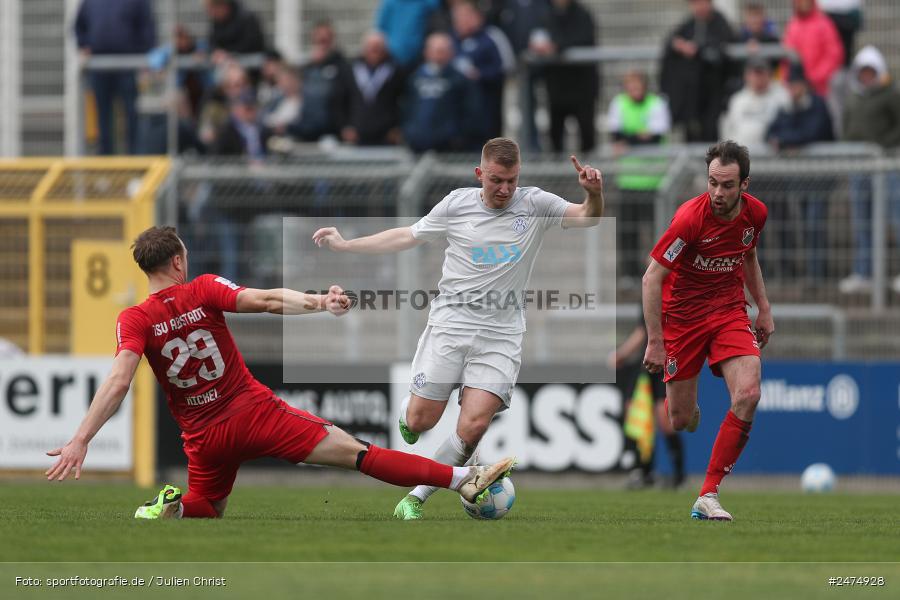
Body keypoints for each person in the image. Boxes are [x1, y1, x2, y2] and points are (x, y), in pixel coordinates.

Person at [45, 226, 514, 519]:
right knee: (359, 452)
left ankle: (169, 505)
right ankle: (459, 480)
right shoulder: (203, 289)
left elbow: (119, 381)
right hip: (252, 413)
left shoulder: (133, 319)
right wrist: (320, 302)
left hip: (203, 437)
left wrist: (81, 439)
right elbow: (266, 300)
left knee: (207, 505)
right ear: (177, 261)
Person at [312, 137, 604, 519]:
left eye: (511, 181)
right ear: (479, 174)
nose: (504, 189)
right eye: (496, 180)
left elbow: (588, 217)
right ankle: (408, 413)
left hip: (501, 335)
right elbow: (408, 236)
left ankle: (415, 498)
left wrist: (594, 194)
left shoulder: (535, 203)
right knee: (420, 421)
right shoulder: (456, 203)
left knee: (474, 424)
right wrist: (347, 246)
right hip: (450, 325)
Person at [642, 141, 773, 521]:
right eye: (713, 183)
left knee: (748, 393)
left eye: (727, 185)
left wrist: (763, 307)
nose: (718, 192)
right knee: (680, 419)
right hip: (682, 318)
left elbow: (747, 254)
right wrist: (655, 341)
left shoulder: (755, 215)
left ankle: (708, 493)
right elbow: (652, 278)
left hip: (729, 310)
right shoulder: (689, 219)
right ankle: (689, 407)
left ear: (744, 185)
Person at [839, 45, 900, 295]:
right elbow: (846, 127)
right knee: (862, 220)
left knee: (896, 218)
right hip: (860, 167)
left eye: (870, 71)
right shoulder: (853, 97)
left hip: (886, 166)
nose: (866, 76)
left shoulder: (890, 94)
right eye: (862, 71)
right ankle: (864, 272)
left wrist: (885, 148)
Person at [766, 63, 834, 283]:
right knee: (806, 223)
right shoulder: (787, 106)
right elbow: (771, 132)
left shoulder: (817, 104)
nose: (793, 90)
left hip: (820, 175)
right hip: (801, 176)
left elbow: (811, 132)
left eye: (796, 85)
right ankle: (813, 272)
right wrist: (788, 139)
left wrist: (785, 140)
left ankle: (817, 274)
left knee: (814, 222)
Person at [606, 69, 671, 283]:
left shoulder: (657, 103)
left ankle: (656, 270)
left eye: (637, 86)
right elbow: (615, 134)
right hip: (628, 178)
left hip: (653, 179)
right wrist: (641, 135)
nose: (634, 91)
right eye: (630, 87)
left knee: (656, 228)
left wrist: (629, 139)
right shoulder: (619, 103)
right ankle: (629, 272)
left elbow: (655, 137)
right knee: (628, 230)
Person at [609, 310, 685, 489]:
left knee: (664, 418)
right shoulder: (649, 292)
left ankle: (679, 476)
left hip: (668, 361)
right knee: (636, 413)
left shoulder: (674, 292)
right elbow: (642, 330)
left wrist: (622, 353)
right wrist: (622, 354)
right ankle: (642, 471)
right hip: (647, 362)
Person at [74, 0, 157, 155]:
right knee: (103, 120)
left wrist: (143, 57)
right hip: (99, 68)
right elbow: (79, 26)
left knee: (131, 118)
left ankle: (135, 167)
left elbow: (147, 28)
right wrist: (84, 45)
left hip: (127, 67)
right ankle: (106, 168)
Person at [659, 0, 735, 142]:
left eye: (702, 3)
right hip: (692, 97)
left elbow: (721, 48)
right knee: (691, 133)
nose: (699, 7)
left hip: (714, 93)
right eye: (695, 3)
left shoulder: (720, 23)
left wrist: (698, 50)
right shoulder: (689, 24)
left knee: (711, 135)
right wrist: (679, 45)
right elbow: (671, 40)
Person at [530, 0, 599, 153]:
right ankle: (557, 172)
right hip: (557, 86)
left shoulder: (582, 14)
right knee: (555, 134)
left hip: (582, 86)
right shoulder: (546, 15)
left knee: (587, 134)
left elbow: (584, 39)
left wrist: (557, 47)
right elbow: (538, 37)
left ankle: (588, 172)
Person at [402, 32, 485, 152]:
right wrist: (409, 133)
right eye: (436, 50)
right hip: (417, 145)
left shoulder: (460, 79)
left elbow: (471, 111)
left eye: (442, 50)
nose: (439, 55)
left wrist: (457, 137)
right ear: (426, 52)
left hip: (448, 148)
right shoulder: (414, 78)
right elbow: (407, 107)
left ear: (451, 52)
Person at [336, 32, 405, 146]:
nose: (374, 52)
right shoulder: (350, 71)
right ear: (364, 49)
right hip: (357, 135)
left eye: (378, 48)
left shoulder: (396, 71)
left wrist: (397, 128)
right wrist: (344, 127)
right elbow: (340, 102)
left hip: (386, 136)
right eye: (371, 48)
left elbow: (404, 101)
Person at [719, 57, 789, 147]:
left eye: (761, 73)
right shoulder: (737, 99)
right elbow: (728, 128)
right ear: (746, 76)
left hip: (771, 155)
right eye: (754, 74)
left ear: (770, 75)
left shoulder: (781, 96)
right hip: (742, 154)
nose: (758, 78)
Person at [783, 0, 844, 98]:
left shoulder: (824, 24)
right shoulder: (792, 25)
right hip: (796, 88)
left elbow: (834, 55)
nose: (804, 4)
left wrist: (815, 77)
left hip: (819, 88)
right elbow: (786, 55)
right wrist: (788, 79)